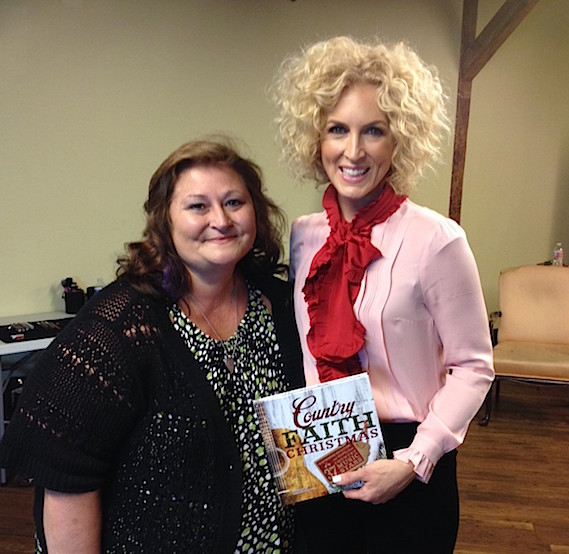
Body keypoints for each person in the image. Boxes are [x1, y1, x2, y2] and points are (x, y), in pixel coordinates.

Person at [0, 137, 305, 553]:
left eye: (234, 202)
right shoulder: (123, 326)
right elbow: (66, 478)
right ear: (165, 221)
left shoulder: (282, 305)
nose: (221, 219)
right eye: (198, 206)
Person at [271, 36, 494, 553]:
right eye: (337, 130)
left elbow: (474, 366)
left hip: (409, 457)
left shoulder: (437, 240)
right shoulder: (304, 236)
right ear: (315, 138)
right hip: (319, 447)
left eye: (373, 130)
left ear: (399, 141)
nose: (353, 151)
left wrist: (415, 461)